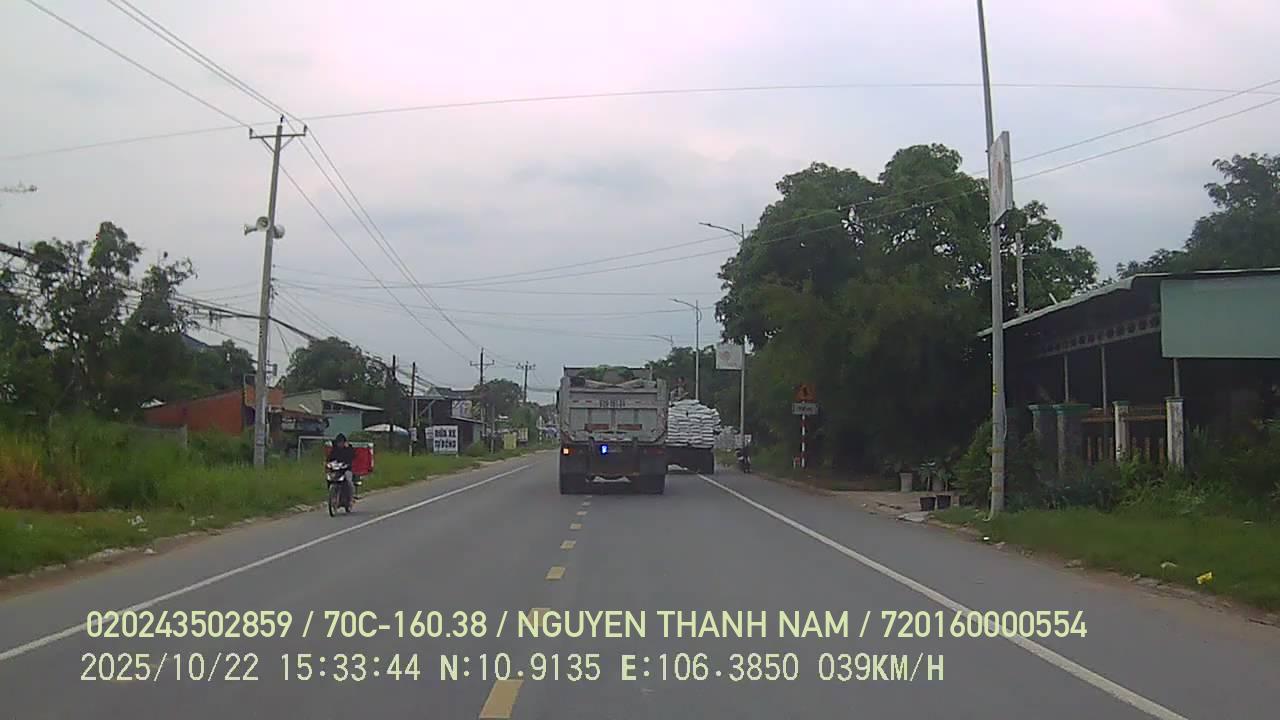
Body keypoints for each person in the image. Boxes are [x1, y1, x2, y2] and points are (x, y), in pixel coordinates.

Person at [328, 433, 357, 502]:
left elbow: (353, 455)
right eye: (338, 442)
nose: (340, 444)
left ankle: (351, 497)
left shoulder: (348, 449)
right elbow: (330, 458)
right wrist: (329, 464)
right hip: (336, 470)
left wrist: (347, 463)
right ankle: (332, 495)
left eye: (341, 442)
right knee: (329, 478)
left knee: (349, 481)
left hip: (346, 470)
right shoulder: (334, 450)